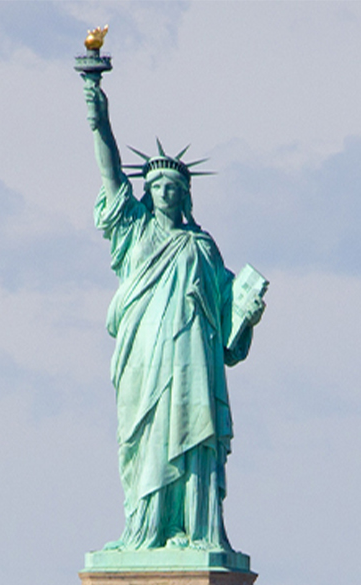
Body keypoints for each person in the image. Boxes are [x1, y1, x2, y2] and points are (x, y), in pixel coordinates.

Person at [83, 75, 265, 552]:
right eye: (157, 185)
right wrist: (100, 121)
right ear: (148, 191)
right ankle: (144, 531)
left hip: (192, 360)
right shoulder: (134, 232)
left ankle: (196, 529)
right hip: (144, 357)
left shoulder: (202, 247)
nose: (165, 192)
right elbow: (111, 175)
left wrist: (246, 314)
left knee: (192, 435)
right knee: (145, 441)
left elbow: (227, 319)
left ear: (186, 196)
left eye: (174, 187)